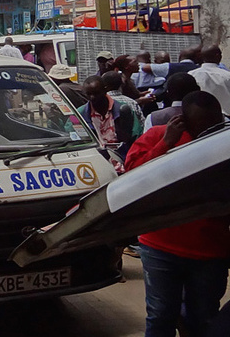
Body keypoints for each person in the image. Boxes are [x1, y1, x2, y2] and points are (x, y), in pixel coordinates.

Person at [124, 91, 230, 337]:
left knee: (203, 318)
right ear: (182, 120)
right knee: (161, 315)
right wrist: (165, 144)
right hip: (160, 246)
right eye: (201, 126)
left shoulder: (223, 144)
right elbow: (131, 178)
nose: (208, 132)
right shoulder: (158, 136)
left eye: (215, 125)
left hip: (210, 250)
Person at [78, 75, 139, 169]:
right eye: (88, 94)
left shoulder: (123, 109)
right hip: (95, 161)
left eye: (96, 93)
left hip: (123, 158)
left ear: (105, 90)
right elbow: (73, 136)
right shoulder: (80, 114)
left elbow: (136, 136)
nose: (92, 97)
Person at [189, 45, 230, 115]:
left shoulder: (191, 75)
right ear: (218, 56)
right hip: (225, 119)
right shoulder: (227, 75)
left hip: (199, 117)